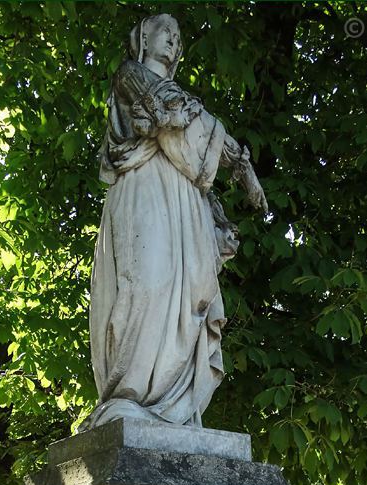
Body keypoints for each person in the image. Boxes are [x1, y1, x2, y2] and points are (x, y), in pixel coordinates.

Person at [82, 13, 267, 430]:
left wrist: (242, 165)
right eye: (166, 32)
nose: (175, 41)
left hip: (182, 199)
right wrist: (236, 162)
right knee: (147, 283)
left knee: (184, 296)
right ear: (144, 38)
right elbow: (170, 113)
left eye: (179, 36)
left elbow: (198, 129)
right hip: (143, 188)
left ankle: (173, 404)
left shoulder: (182, 100)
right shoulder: (131, 75)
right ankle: (130, 393)